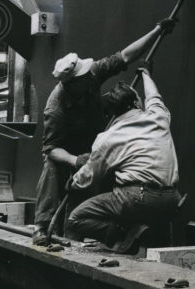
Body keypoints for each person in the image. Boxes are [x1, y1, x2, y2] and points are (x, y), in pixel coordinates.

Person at [33, 22, 174, 246]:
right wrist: (75, 160)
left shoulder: (91, 73)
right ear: (72, 84)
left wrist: (157, 30)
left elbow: (125, 56)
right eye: (83, 77)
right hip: (66, 151)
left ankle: (93, 231)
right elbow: (50, 148)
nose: (90, 76)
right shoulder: (55, 108)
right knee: (51, 168)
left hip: (98, 145)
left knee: (101, 177)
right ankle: (42, 225)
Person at [65, 65, 181, 253]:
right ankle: (139, 234)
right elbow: (154, 95)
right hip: (171, 201)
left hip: (137, 201)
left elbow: (89, 176)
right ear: (136, 102)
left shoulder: (108, 138)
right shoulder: (159, 116)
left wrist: (72, 183)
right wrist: (145, 74)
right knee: (128, 195)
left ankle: (125, 233)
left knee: (75, 219)